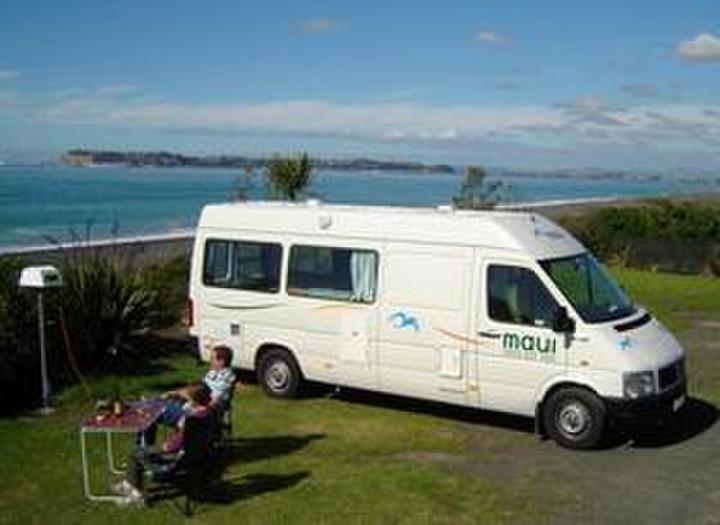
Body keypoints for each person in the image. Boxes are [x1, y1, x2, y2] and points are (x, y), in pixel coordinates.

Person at [122, 382, 214, 504]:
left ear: (193, 401)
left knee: (136, 454)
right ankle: (129, 483)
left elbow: (174, 444)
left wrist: (163, 447)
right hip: (196, 456)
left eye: (188, 398)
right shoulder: (207, 413)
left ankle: (136, 492)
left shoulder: (191, 420)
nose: (186, 399)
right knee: (145, 451)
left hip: (177, 459)